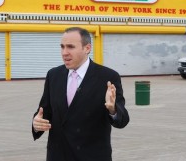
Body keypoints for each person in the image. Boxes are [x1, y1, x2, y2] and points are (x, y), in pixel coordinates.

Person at [32, 27, 130, 161]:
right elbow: (44, 112)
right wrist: (36, 124)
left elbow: (122, 120)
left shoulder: (107, 77)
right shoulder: (53, 75)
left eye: (70, 47)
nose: (64, 52)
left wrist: (113, 109)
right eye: (62, 47)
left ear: (87, 48)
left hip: (91, 156)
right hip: (58, 155)